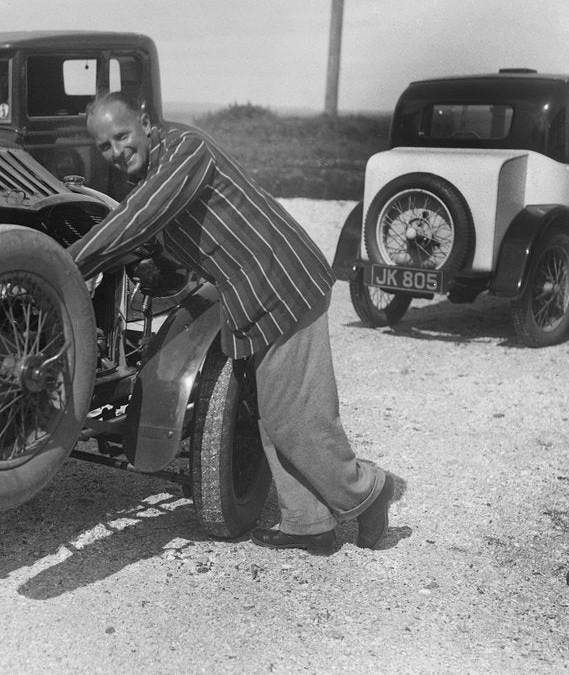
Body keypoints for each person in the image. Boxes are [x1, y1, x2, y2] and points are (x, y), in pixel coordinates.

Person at [68, 91, 395, 553]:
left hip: (283, 283)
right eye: (105, 146)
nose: (117, 152)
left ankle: (369, 491)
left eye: (122, 136)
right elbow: (174, 254)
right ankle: (308, 523)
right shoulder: (152, 179)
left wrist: (67, 262)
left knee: (294, 416)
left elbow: (140, 218)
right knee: (268, 413)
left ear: (144, 121)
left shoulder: (186, 150)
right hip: (252, 298)